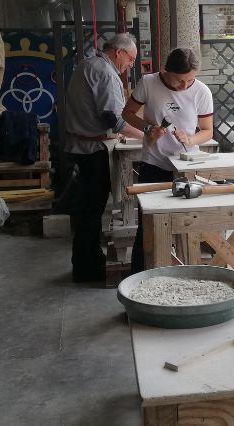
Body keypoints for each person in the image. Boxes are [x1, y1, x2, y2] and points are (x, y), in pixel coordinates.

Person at [122, 47, 214, 273]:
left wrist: (191, 139)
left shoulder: (201, 91)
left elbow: (207, 131)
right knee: (148, 223)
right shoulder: (148, 83)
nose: (184, 86)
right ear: (166, 71)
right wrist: (147, 129)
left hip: (186, 166)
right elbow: (127, 113)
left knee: (187, 222)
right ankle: (139, 276)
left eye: (190, 80)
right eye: (179, 80)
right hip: (154, 162)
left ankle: (186, 273)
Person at [65, 33, 144, 282]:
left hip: (84, 146)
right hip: (93, 151)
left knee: (89, 209)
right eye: (130, 59)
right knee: (92, 210)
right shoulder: (106, 73)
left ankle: (89, 261)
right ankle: (86, 269)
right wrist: (146, 136)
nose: (130, 65)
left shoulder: (89, 64)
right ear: (118, 52)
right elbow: (114, 119)